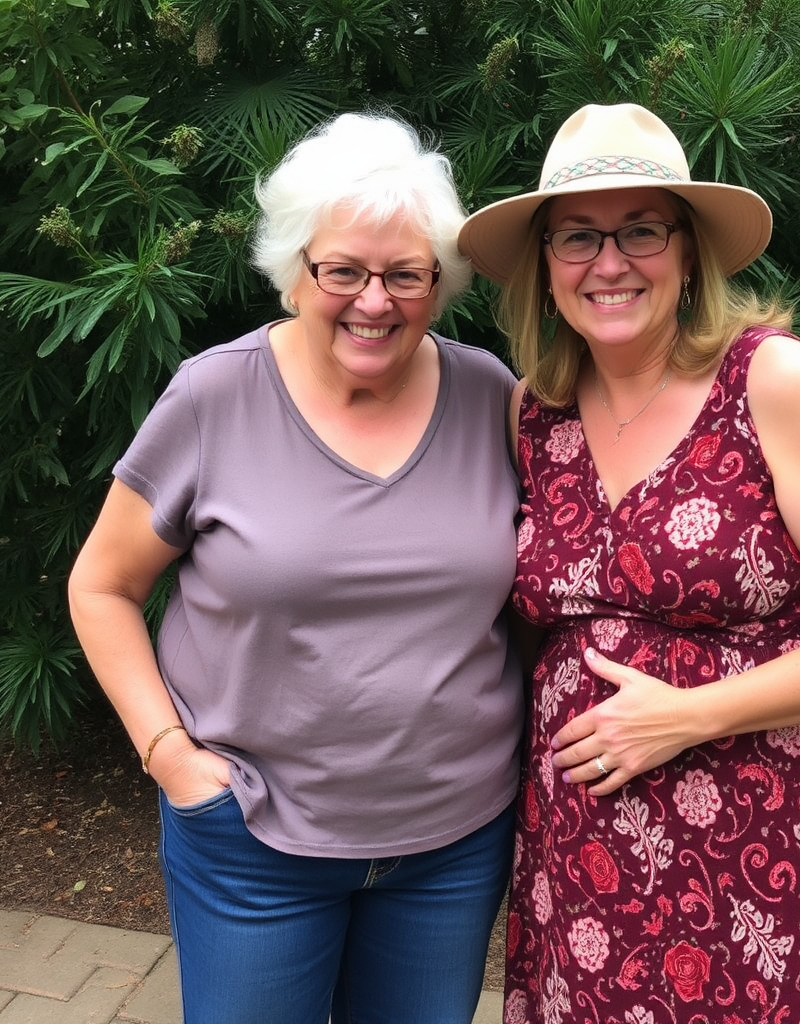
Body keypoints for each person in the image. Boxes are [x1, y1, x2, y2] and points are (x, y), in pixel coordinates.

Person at [458, 103, 800, 1024]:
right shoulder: (535, 412)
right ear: (546, 267)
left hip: (771, 852)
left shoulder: (771, 381)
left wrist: (688, 717)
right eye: (577, 238)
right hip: (590, 861)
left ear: (687, 251)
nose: (609, 262)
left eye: (640, 229)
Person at [67, 111, 523, 1024]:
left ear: (440, 281)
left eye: (406, 274)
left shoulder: (492, 399)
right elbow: (102, 585)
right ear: (295, 271)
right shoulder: (216, 395)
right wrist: (170, 759)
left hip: (452, 844)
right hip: (251, 843)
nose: (374, 300)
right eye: (344, 270)